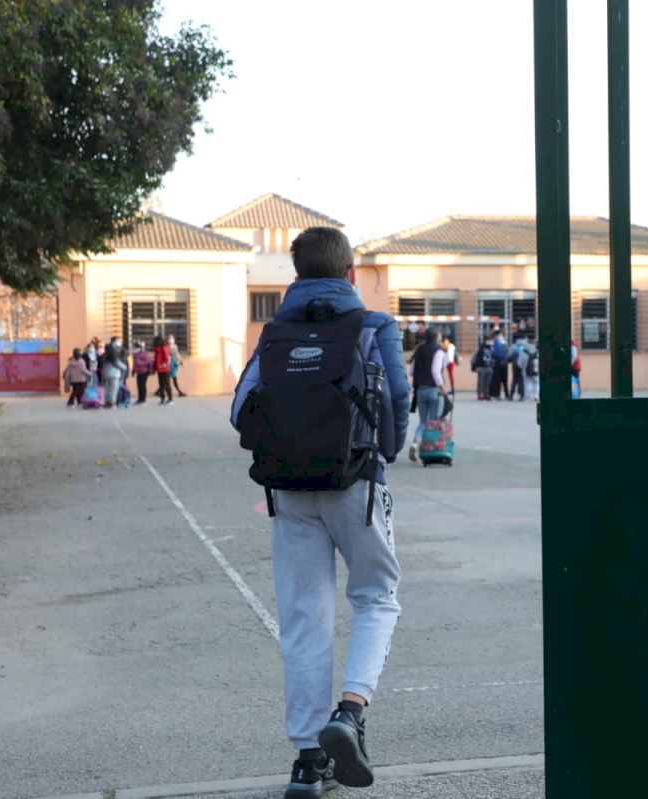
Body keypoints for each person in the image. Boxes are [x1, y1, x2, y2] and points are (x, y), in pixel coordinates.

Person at [230, 226, 408, 797]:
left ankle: (308, 763)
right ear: (351, 273)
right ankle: (350, 713)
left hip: (288, 488)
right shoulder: (374, 326)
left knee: (304, 615)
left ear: (296, 275)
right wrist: (383, 454)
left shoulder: (274, 333)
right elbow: (396, 399)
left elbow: (240, 409)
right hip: (355, 484)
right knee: (376, 596)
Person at [408, 327, 450, 461]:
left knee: (423, 421)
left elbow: (411, 371)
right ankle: (431, 449)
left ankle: (415, 444)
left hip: (420, 390)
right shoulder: (439, 351)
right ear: (437, 337)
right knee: (434, 422)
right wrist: (442, 387)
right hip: (434, 390)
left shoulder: (419, 350)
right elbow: (436, 371)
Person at [100, 336, 128, 408]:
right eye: (118, 341)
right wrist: (124, 367)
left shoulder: (106, 352)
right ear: (113, 342)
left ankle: (107, 403)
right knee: (113, 389)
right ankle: (112, 402)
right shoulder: (113, 352)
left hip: (106, 373)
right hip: (114, 374)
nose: (120, 342)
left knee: (107, 389)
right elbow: (116, 362)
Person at [153, 335, 174, 405]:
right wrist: (155, 368)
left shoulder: (164, 347)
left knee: (167, 384)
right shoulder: (157, 349)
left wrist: (164, 364)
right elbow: (156, 360)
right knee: (161, 385)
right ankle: (162, 399)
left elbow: (167, 358)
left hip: (165, 369)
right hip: (160, 369)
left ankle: (170, 399)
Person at [489, 329, 509, 399]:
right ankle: (503, 394)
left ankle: (500, 394)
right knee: (501, 379)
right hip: (500, 361)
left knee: (500, 379)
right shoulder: (497, 342)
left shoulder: (498, 342)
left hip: (499, 362)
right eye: (500, 334)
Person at [508, 335, 527, 400]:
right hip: (523, 364)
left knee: (514, 380)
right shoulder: (525, 346)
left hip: (515, 364)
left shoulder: (514, 346)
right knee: (521, 380)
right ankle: (522, 395)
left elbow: (509, 355)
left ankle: (511, 396)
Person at [520, 336, 539, 400]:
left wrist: (522, 368)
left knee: (527, 382)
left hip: (526, 370)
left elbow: (519, 362)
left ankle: (528, 396)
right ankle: (536, 395)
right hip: (536, 369)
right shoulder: (537, 350)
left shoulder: (524, 351)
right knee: (536, 383)